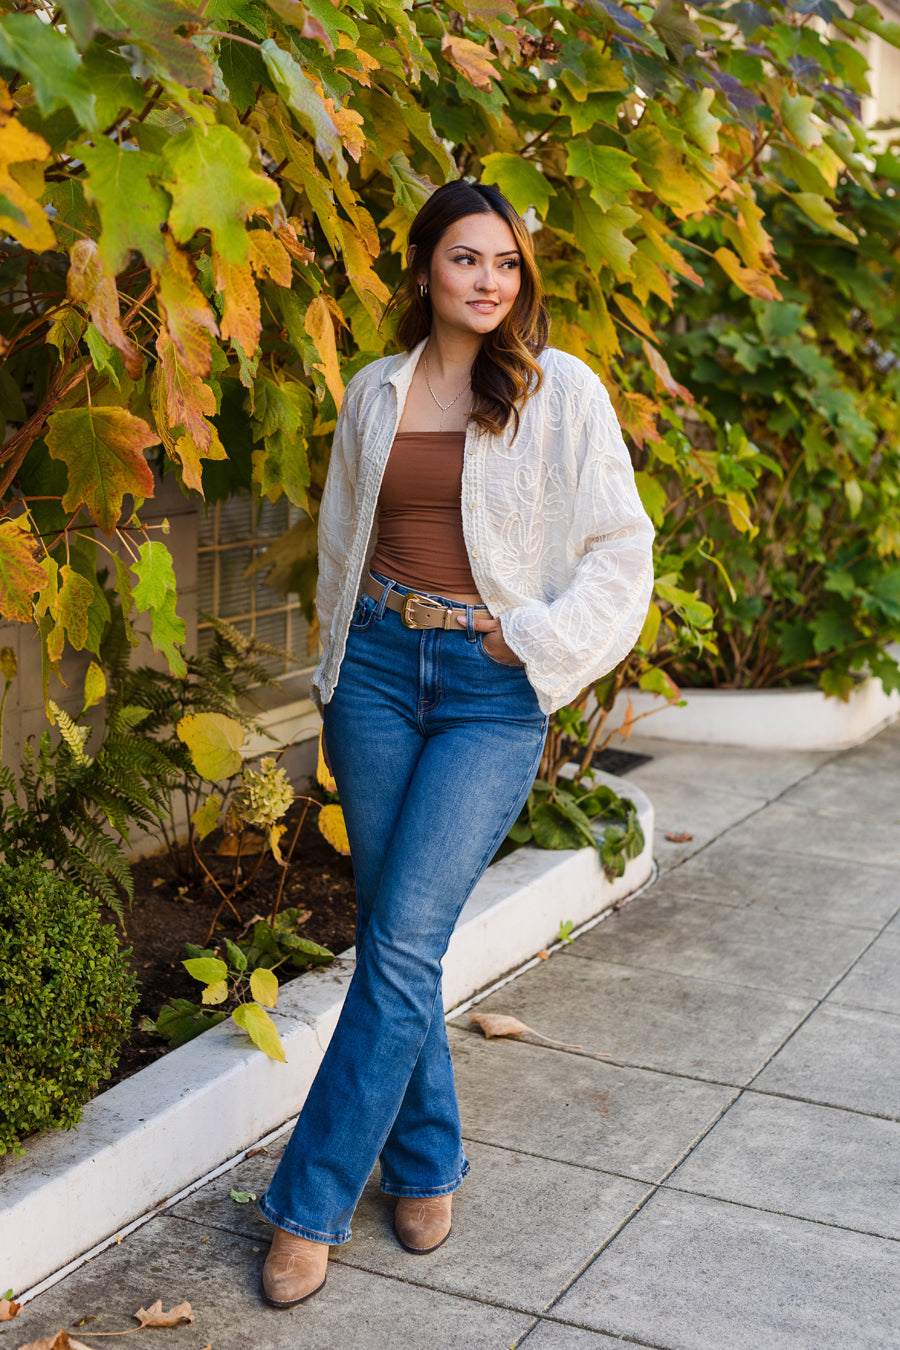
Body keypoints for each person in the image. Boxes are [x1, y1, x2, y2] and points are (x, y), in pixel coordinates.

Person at [258, 179, 655, 1307]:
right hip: (376, 676)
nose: (490, 282)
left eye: (507, 265)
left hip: (489, 689)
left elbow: (622, 551)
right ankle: (427, 1161)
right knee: (398, 936)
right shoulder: (374, 394)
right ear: (425, 267)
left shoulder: (556, 389)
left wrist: (534, 637)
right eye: (467, 260)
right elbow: (344, 543)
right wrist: (334, 671)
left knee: (398, 941)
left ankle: (308, 1203)